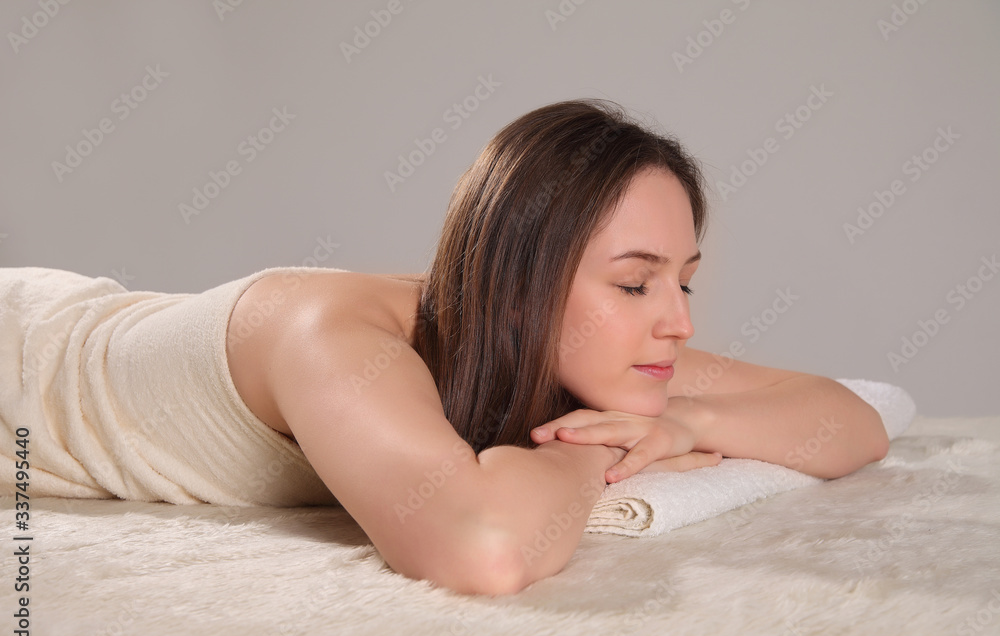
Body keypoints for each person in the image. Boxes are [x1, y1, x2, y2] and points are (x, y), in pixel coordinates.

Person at [1, 99, 889, 597]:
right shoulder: (337, 336)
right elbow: (484, 551)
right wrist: (605, 443)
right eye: (633, 282)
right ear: (525, 277)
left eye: (682, 280)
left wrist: (685, 420)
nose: (678, 322)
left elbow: (850, 418)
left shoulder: (569, 342)